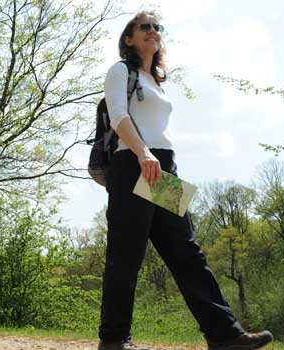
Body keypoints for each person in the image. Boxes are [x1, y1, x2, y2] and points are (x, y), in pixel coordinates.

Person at [97, 10, 273, 350]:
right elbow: (118, 115)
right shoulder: (120, 71)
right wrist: (143, 153)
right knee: (126, 253)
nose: (152, 31)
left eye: (156, 27)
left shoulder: (156, 81)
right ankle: (114, 340)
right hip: (133, 162)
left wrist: (157, 159)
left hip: (162, 167)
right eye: (143, 26)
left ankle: (225, 335)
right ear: (129, 38)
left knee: (187, 252)